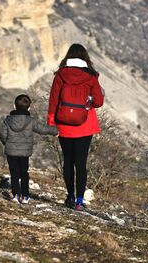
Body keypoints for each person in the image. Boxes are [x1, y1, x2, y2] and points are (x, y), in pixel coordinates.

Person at [47, 44, 104, 211]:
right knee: (81, 163)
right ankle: (80, 201)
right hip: (85, 126)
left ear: (68, 57)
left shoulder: (60, 75)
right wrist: (87, 103)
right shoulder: (91, 77)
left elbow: (53, 100)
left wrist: (51, 122)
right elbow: (99, 102)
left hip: (64, 126)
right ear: (85, 59)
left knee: (68, 161)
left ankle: (70, 196)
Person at [0, 94, 58, 204]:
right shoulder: (31, 121)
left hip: (11, 151)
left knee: (14, 173)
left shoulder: (7, 121)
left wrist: (7, 144)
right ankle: (25, 196)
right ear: (29, 107)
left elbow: (2, 134)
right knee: (24, 173)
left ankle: (16, 195)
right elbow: (42, 129)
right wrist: (55, 131)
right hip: (25, 153)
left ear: (14, 106)